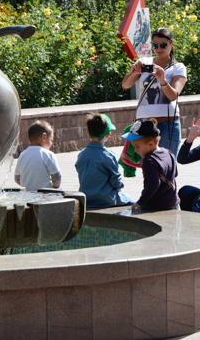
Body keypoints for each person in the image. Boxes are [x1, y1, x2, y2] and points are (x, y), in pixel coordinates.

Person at [121, 27, 187, 156]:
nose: (159, 49)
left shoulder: (178, 67)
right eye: (155, 45)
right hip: (144, 124)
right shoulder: (143, 62)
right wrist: (134, 73)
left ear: (171, 44)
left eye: (163, 45)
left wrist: (163, 80)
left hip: (167, 123)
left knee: (166, 167)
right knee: (148, 167)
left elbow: (173, 96)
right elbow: (125, 85)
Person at [75, 113, 134, 208]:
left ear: (87, 131)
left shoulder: (81, 155)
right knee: (132, 202)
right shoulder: (108, 156)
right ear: (108, 134)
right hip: (106, 199)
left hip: (87, 198)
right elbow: (116, 180)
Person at [122, 119, 179, 212]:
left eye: (137, 147)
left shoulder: (149, 160)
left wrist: (140, 202)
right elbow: (175, 174)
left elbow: (154, 183)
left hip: (156, 205)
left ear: (151, 144)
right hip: (173, 202)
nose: (135, 150)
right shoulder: (169, 153)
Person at [14, 120, 61, 191]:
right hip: (45, 195)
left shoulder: (22, 155)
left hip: (27, 195)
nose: (51, 143)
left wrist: (28, 185)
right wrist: (54, 187)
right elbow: (57, 177)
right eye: (51, 140)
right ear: (44, 136)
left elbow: (17, 178)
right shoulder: (48, 154)